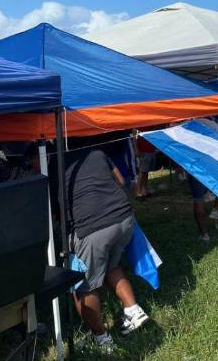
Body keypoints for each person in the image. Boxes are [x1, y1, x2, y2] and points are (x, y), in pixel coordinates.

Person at [65, 145, 149, 353]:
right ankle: (133, 310)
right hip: (123, 218)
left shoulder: (54, 164)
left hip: (92, 227)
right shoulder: (96, 152)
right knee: (112, 266)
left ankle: (101, 339)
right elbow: (120, 181)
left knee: (83, 287)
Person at [135, 134, 157, 200]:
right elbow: (134, 137)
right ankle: (138, 193)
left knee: (145, 172)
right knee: (142, 172)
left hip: (151, 150)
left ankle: (144, 191)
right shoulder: (139, 130)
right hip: (144, 151)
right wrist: (137, 150)